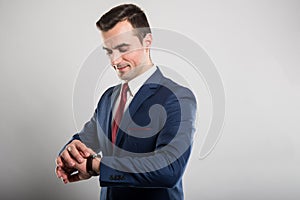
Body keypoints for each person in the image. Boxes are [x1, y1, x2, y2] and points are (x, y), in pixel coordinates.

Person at [55, 3, 197, 200]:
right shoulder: (108, 98)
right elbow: (85, 140)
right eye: (109, 51)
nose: (114, 60)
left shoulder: (177, 97)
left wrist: (96, 166)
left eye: (123, 48)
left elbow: (169, 169)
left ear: (147, 41)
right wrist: (69, 154)